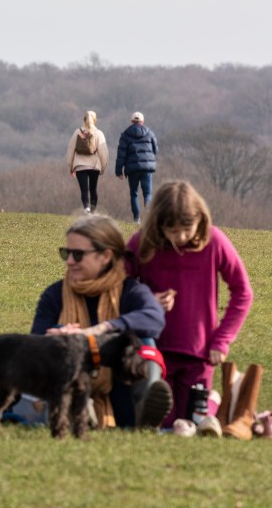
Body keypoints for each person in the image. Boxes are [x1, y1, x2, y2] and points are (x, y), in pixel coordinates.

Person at [126, 181, 256, 437]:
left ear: (200, 219)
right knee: (163, 422)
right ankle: (213, 403)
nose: (181, 237)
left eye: (187, 229)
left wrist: (222, 340)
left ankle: (213, 402)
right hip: (153, 349)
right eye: (172, 231)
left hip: (199, 352)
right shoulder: (141, 243)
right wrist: (149, 299)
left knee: (190, 424)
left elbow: (243, 292)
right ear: (158, 225)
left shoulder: (215, 241)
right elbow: (119, 286)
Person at [31, 214, 172, 429]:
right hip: (68, 379)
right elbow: (35, 339)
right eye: (66, 253)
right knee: (51, 348)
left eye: (78, 255)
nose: (69, 261)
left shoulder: (129, 290)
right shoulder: (54, 295)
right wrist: (59, 334)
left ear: (105, 256)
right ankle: (75, 408)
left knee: (144, 341)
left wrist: (105, 328)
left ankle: (145, 409)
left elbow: (154, 318)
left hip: (120, 386)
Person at [115, 111, 158, 223]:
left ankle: (136, 219)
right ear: (142, 121)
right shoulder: (150, 133)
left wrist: (119, 171)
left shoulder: (125, 135)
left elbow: (121, 154)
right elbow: (155, 150)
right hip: (146, 168)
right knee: (147, 193)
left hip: (132, 169)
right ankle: (149, 217)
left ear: (132, 121)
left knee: (134, 193)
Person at [66, 110, 108, 213]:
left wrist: (70, 167)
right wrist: (103, 167)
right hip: (94, 166)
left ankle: (86, 208)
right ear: (95, 120)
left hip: (80, 166)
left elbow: (71, 150)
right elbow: (103, 152)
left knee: (84, 190)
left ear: (84, 119)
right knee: (93, 189)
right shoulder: (98, 133)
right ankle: (93, 211)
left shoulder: (77, 132)